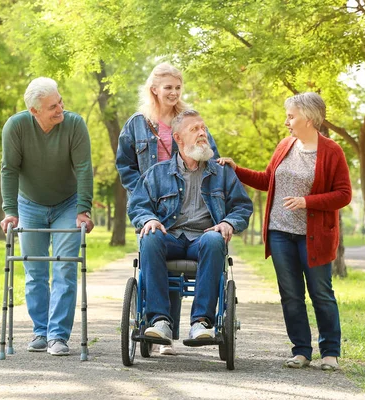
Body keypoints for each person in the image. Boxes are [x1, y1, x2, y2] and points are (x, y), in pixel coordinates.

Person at [218, 92, 351, 371]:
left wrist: (307, 201)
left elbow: (343, 194)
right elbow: (268, 180)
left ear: (309, 118)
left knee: (321, 293)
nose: (286, 122)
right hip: (279, 232)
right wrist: (236, 169)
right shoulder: (284, 145)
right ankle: (301, 350)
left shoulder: (332, 151)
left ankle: (330, 352)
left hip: (314, 236)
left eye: (291, 116)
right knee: (290, 294)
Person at [115, 62, 220, 355]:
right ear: (154, 89)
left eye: (177, 87)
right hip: (151, 203)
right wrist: (145, 196)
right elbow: (125, 165)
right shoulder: (136, 123)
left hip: (185, 204)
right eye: (168, 88)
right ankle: (158, 324)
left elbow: (211, 156)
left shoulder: (188, 121)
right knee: (154, 253)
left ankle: (169, 330)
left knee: (179, 255)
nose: (173, 93)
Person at [128, 109, 253, 345]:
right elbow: (137, 206)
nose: (201, 133)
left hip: (204, 239)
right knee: (150, 237)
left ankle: (201, 322)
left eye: (203, 128)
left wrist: (228, 222)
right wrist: (148, 219)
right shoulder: (158, 173)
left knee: (215, 240)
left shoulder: (222, 173)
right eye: (194, 129)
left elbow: (242, 207)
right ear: (178, 138)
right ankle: (159, 321)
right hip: (170, 237)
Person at [0, 77, 94, 357]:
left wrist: (83, 209)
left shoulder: (74, 124)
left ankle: (57, 336)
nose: (60, 108)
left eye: (60, 101)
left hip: (68, 204)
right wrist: (10, 212)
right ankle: (40, 331)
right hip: (29, 204)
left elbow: (84, 167)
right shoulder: (16, 126)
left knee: (65, 267)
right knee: (35, 271)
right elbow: (9, 170)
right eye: (53, 106)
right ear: (34, 111)